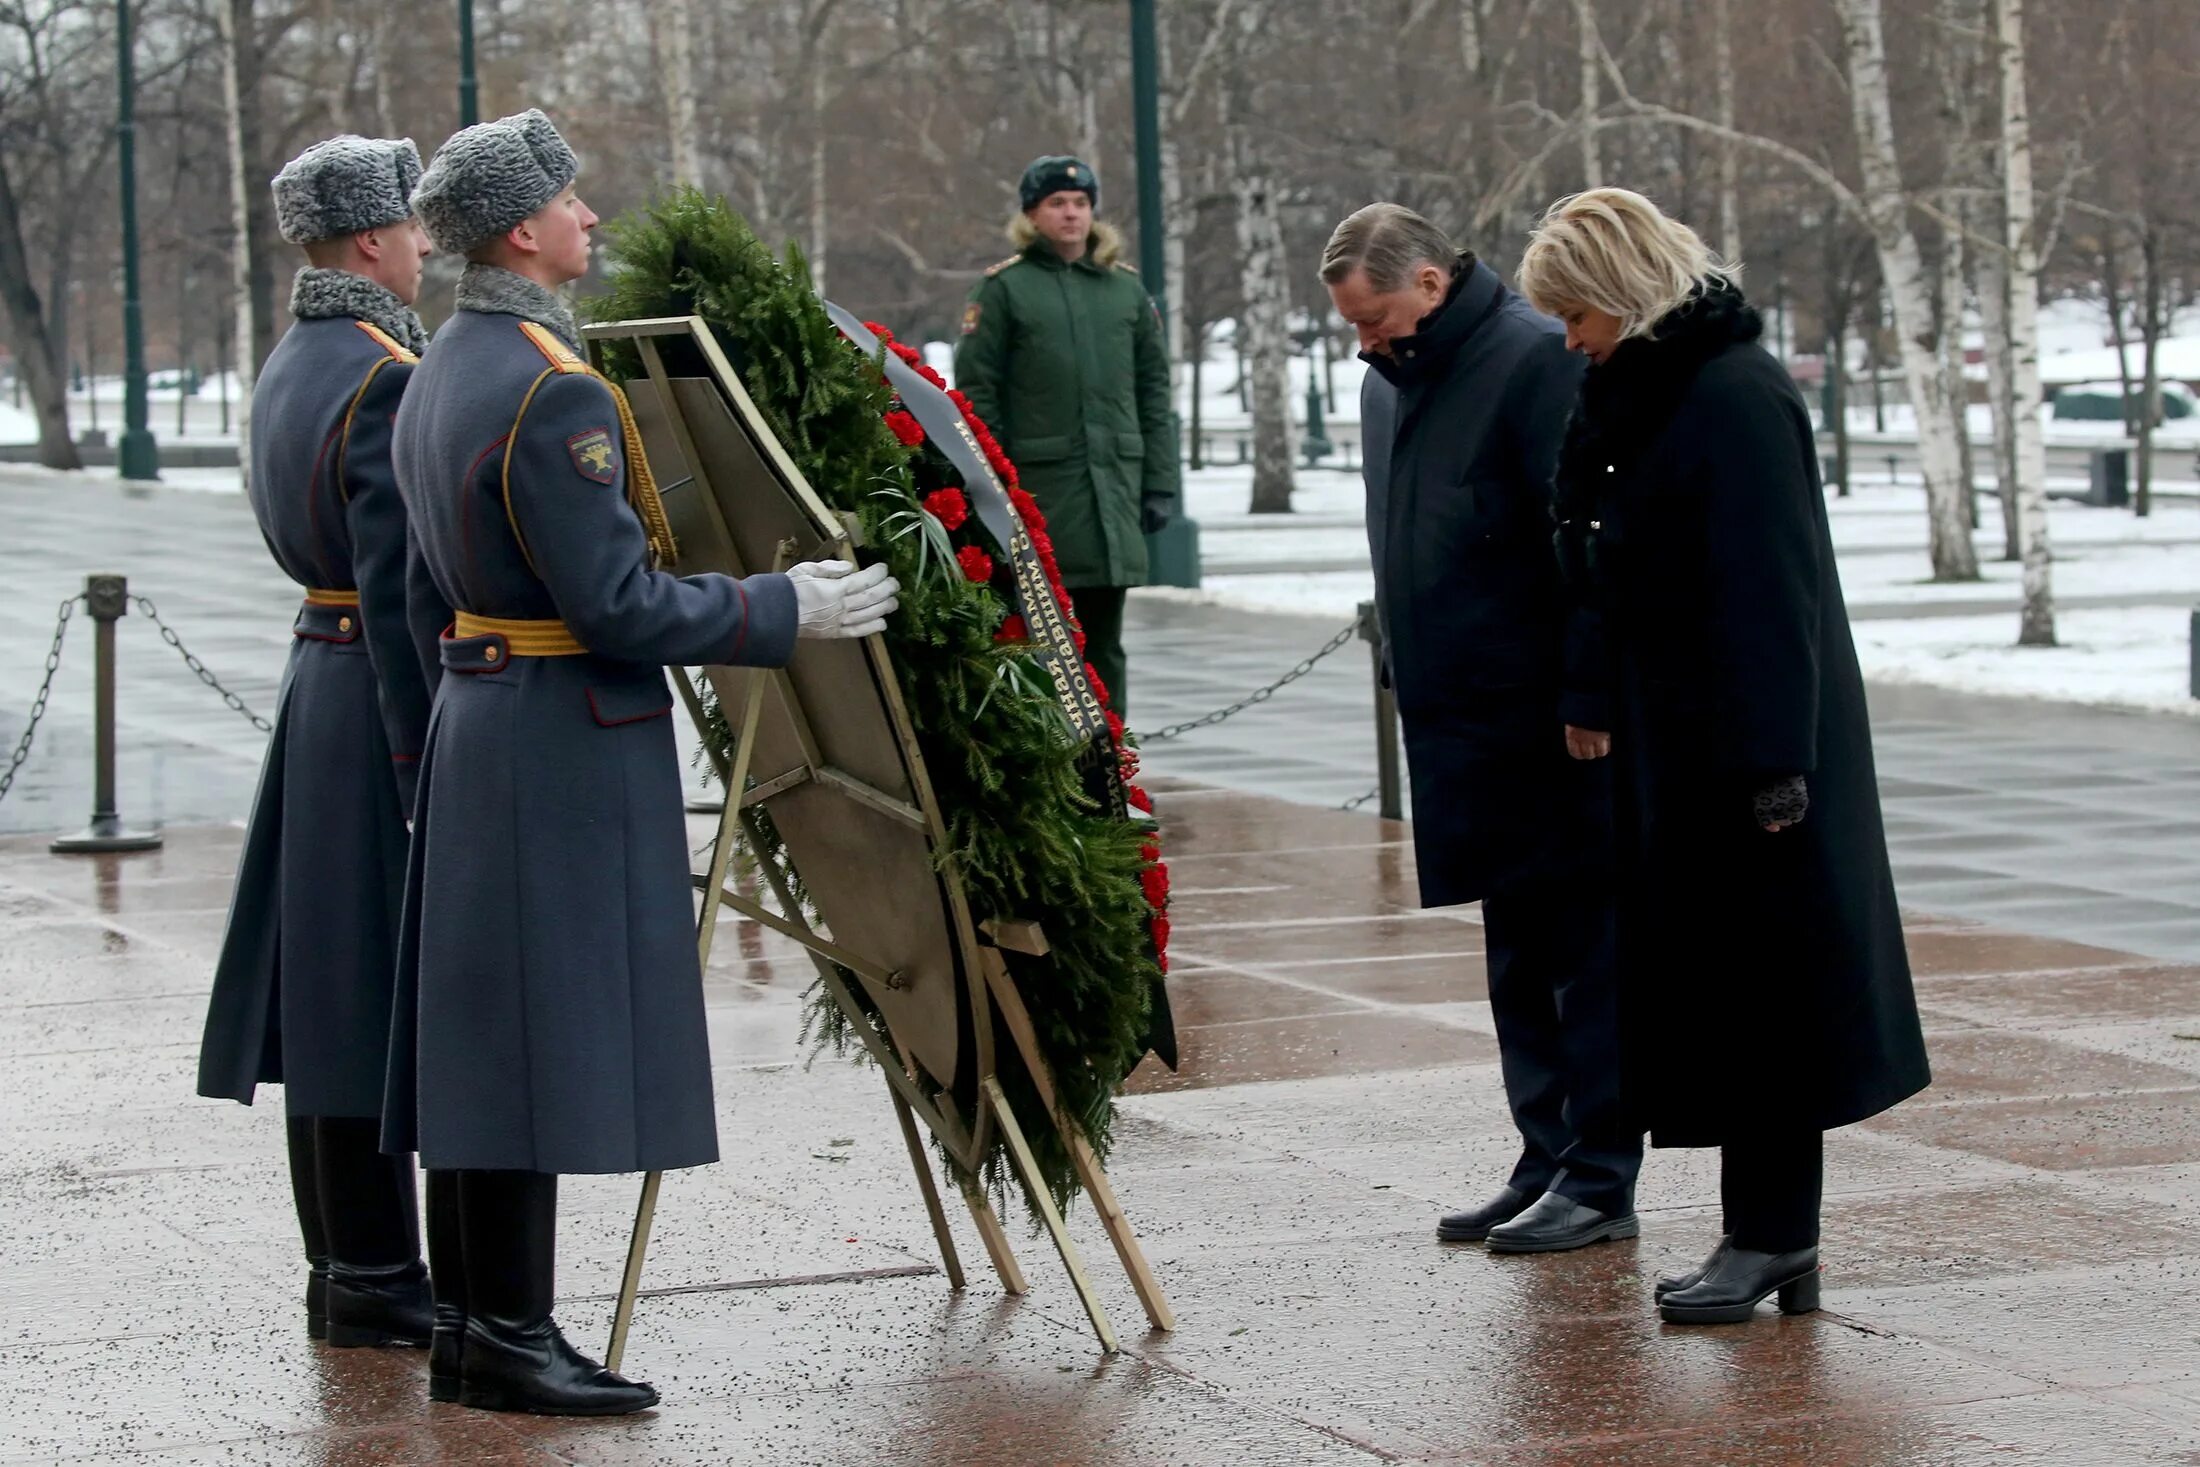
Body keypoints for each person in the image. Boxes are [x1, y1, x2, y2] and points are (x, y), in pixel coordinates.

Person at [387, 109, 899, 1415]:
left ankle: (474, 1322)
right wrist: (782, 609)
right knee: (537, 1037)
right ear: (519, 228)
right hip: (558, 730)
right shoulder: (552, 387)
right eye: (569, 199)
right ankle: (505, 1326)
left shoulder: (444, 361)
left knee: (484, 1041)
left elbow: (413, 588)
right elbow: (618, 607)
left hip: (481, 713)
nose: (589, 216)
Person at [1520, 187, 1931, 1325]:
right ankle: (1764, 1238)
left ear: (1622, 293)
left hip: (1752, 746)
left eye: (1577, 314)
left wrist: (1769, 763)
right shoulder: (1643, 389)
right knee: (1733, 995)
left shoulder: (1733, 394)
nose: (1568, 339)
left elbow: (1771, 590)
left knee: (1769, 1002)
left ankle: (1773, 1237)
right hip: (1688, 738)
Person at [1321, 203, 1641, 1254]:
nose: (1362, 344)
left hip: (1547, 720)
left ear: (1427, 280)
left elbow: (1589, 544)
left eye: (1372, 319)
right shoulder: (1399, 380)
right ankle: (1544, 1154)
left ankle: (1598, 1174)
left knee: (1580, 955)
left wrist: (1589, 691)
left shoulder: (1529, 360)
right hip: (1463, 709)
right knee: (1515, 953)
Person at [195, 134, 438, 1352]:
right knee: (364, 994)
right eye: (409, 225)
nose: (425, 243)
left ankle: (346, 1266)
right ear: (366, 243)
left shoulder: (296, 358)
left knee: (331, 986)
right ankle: (382, 1273)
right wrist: (419, 764)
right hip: (370, 693)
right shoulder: (385, 371)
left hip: (315, 678)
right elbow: (401, 594)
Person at [953, 154, 1176, 716]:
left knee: (1106, 646)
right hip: (1044, 496)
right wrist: (994, 488)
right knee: (1044, 644)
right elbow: (979, 396)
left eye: (1080, 203)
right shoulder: (1005, 290)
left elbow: (1154, 394)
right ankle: (1057, 767)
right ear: (1033, 214)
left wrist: (1160, 485)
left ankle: (1115, 769)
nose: (1071, 214)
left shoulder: (1124, 292)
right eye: (1057, 203)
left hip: (1114, 496)